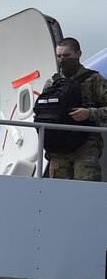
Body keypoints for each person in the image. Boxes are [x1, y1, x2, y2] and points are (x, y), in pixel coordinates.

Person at [38, 37, 106, 181]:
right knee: (59, 194)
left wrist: (90, 113)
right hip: (58, 149)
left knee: (86, 189)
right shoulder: (51, 83)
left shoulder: (94, 79)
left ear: (78, 54)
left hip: (85, 144)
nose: (62, 60)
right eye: (59, 56)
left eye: (66, 55)